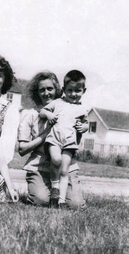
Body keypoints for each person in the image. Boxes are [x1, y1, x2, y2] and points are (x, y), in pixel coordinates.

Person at [18, 71, 86, 209]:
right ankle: (46, 189)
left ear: (57, 90)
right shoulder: (30, 114)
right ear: (36, 93)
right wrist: (44, 136)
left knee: (75, 205)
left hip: (64, 166)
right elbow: (22, 149)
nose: (46, 93)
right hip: (40, 165)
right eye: (41, 90)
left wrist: (82, 128)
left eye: (50, 88)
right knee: (41, 200)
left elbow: (75, 138)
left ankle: (60, 195)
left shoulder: (68, 109)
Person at [40, 70, 88, 207]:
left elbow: (86, 123)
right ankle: (55, 188)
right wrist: (49, 115)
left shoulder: (83, 108)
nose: (73, 94)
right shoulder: (57, 102)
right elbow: (43, 111)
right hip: (55, 139)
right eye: (70, 90)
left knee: (65, 169)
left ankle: (60, 200)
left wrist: (84, 127)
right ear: (63, 90)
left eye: (77, 91)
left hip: (70, 143)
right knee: (56, 159)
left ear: (83, 90)